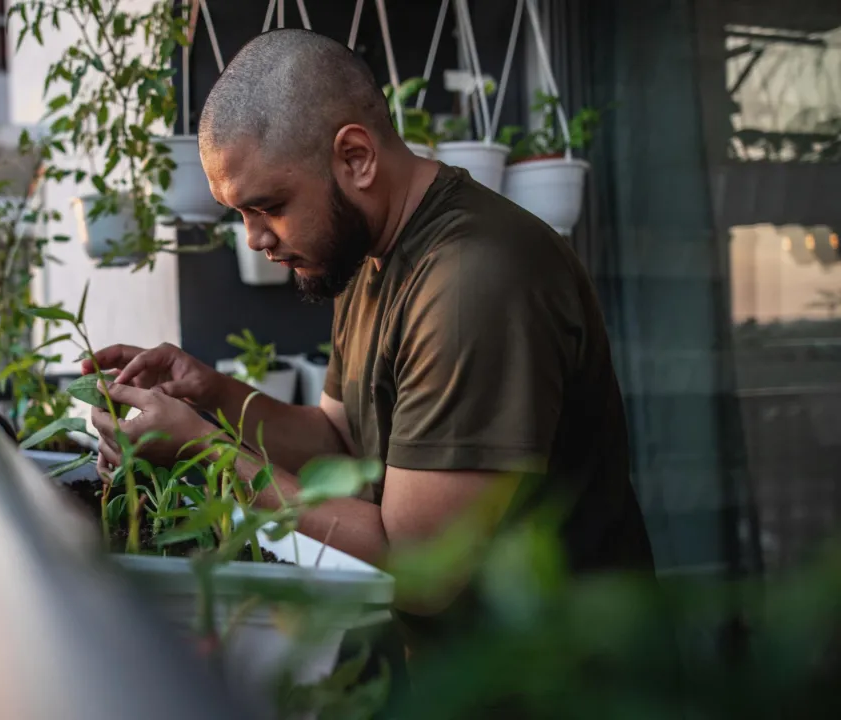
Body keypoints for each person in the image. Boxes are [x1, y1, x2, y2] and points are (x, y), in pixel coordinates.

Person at [84, 29, 655, 618]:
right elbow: (342, 445)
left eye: (270, 206)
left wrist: (207, 455)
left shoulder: (472, 281)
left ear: (355, 157)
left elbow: (419, 567)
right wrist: (214, 395)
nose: (254, 238)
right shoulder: (363, 254)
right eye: (241, 214)